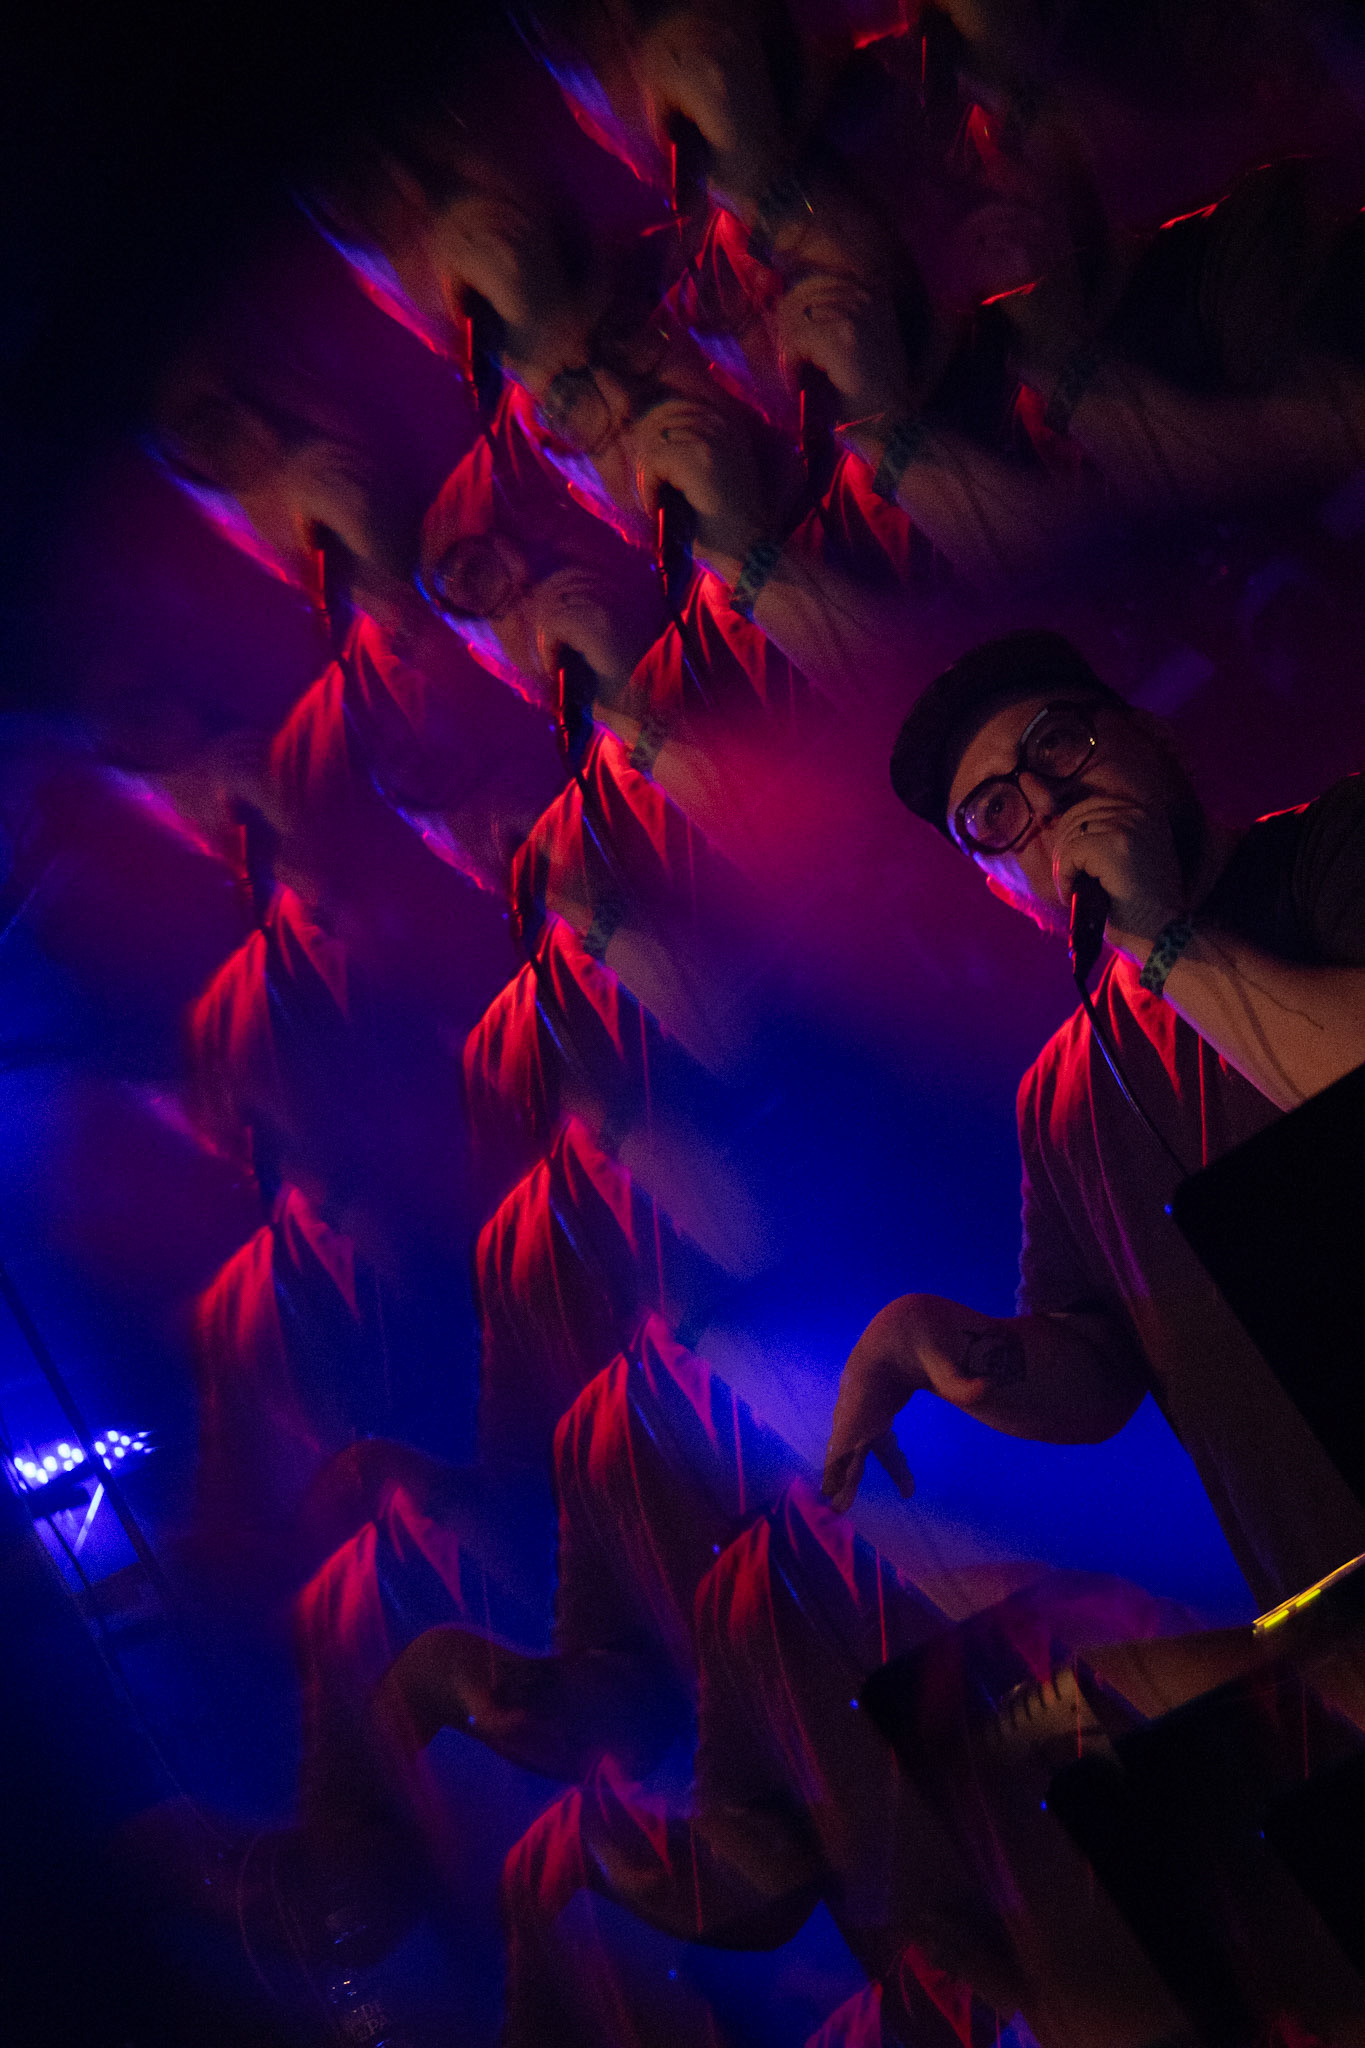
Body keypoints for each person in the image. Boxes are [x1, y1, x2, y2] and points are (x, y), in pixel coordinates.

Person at [825, 626, 1365, 1609]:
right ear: (997, 884)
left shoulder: (1329, 845)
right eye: (993, 811)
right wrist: (930, 1341)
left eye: (1058, 743)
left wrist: (1161, 940)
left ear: (1153, 737)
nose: (1041, 802)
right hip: (1329, 1591)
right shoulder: (1059, 1096)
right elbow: (1103, 1374)